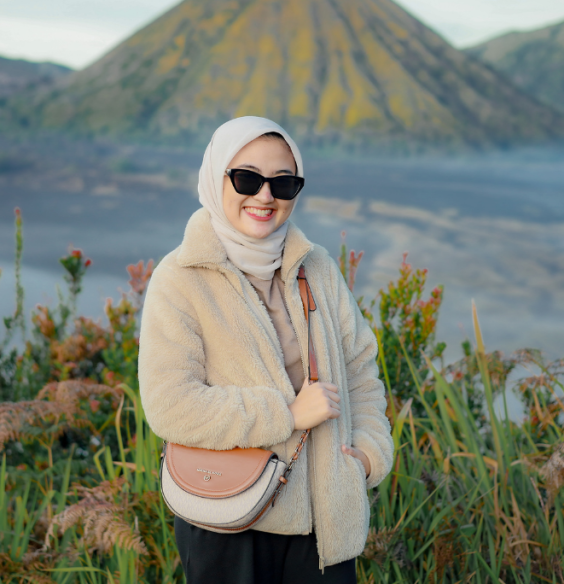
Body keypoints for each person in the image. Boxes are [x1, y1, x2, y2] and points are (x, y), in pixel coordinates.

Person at [138, 116, 393, 583]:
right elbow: (170, 406)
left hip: (323, 524)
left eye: (283, 182)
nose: (265, 195)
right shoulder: (180, 278)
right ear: (217, 180)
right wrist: (287, 414)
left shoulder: (316, 268)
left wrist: (368, 456)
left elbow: (360, 371)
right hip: (228, 519)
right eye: (247, 178)